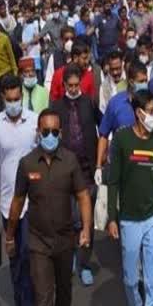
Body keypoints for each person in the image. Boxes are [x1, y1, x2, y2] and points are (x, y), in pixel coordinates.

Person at [5, 109, 92, 306]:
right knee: (43, 300)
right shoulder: (27, 164)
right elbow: (17, 201)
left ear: (61, 133)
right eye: (45, 132)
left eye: (54, 131)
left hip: (65, 241)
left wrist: (86, 229)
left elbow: (83, 196)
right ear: (38, 132)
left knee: (64, 294)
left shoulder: (70, 161)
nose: (50, 136)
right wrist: (9, 236)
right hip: (38, 243)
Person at [107, 90, 153, 306]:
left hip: (152, 217)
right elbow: (114, 181)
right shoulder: (122, 140)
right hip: (129, 219)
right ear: (138, 113)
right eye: (151, 111)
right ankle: (134, 304)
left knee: (152, 280)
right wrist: (112, 217)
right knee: (131, 279)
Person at [0, 74, 38, 306]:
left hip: (33, 203)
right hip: (7, 205)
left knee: (29, 255)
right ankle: (21, 303)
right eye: (10, 100)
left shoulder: (34, 122)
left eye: (17, 98)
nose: (14, 103)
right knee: (15, 258)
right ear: (3, 98)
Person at [50, 64, 101, 287]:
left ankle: (85, 263)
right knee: (68, 219)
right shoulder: (57, 107)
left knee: (86, 221)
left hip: (88, 173)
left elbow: (104, 128)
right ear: (63, 86)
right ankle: (69, 257)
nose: (73, 89)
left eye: (76, 85)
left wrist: (101, 162)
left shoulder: (89, 103)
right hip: (65, 173)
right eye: (69, 86)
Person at [96, 61, 149, 171]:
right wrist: (99, 166)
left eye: (146, 81)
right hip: (120, 165)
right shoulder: (116, 103)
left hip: (144, 164)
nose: (144, 84)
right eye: (141, 81)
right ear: (131, 82)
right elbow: (103, 135)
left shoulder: (151, 104)